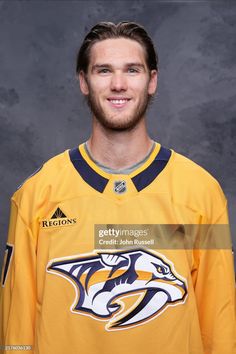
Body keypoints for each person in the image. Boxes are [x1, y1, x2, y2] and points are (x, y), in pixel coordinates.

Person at [0, 21, 235, 354]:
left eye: (133, 70)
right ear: (84, 81)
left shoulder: (202, 193)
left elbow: (221, 324)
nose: (119, 84)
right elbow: (16, 335)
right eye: (104, 70)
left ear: (152, 80)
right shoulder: (37, 195)